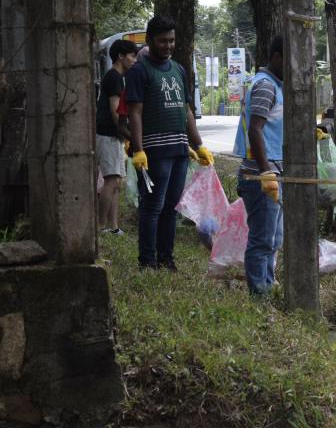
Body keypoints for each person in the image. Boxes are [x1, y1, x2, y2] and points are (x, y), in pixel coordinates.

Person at [127, 15, 214, 270]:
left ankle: (166, 257)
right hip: (154, 150)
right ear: (150, 40)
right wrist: (138, 149)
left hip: (178, 148)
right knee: (153, 205)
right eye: (163, 41)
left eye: (172, 41)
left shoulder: (178, 69)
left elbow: (187, 110)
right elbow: (134, 112)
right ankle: (147, 260)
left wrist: (198, 145)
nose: (168, 45)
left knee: (171, 207)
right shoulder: (139, 71)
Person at [233, 36, 284, 296]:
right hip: (260, 174)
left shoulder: (276, 85)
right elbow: (255, 130)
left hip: (272, 170)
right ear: (276, 57)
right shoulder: (266, 86)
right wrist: (266, 172)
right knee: (263, 238)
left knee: (274, 237)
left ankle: (268, 283)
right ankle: (259, 294)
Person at [96, 38, 138, 235]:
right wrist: (131, 136)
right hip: (108, 135)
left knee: (116, 182)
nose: (134, 60)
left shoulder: (118, 77)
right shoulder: (113, 77)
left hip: (115, 137)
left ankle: (113, 227)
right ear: (121, 56)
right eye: (132, 56)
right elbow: (115, 114)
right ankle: (100, 227)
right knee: (111, 180)